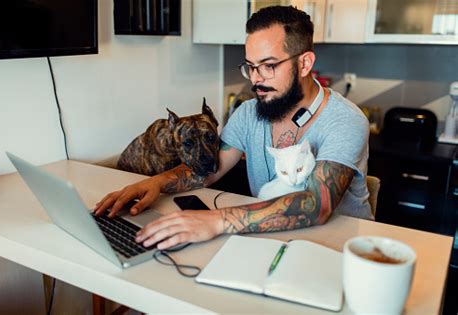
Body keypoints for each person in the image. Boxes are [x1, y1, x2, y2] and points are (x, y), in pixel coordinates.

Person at [94, 5, 372, 250]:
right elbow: (209, 171)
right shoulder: (247, 113)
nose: (256, 79)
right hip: (272, 241)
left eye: (268, 66)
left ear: (304, 63)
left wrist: (215, 221)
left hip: (341, 251)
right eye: (250, 66)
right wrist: (154, 183)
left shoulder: (345, 120)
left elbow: (316, 205)